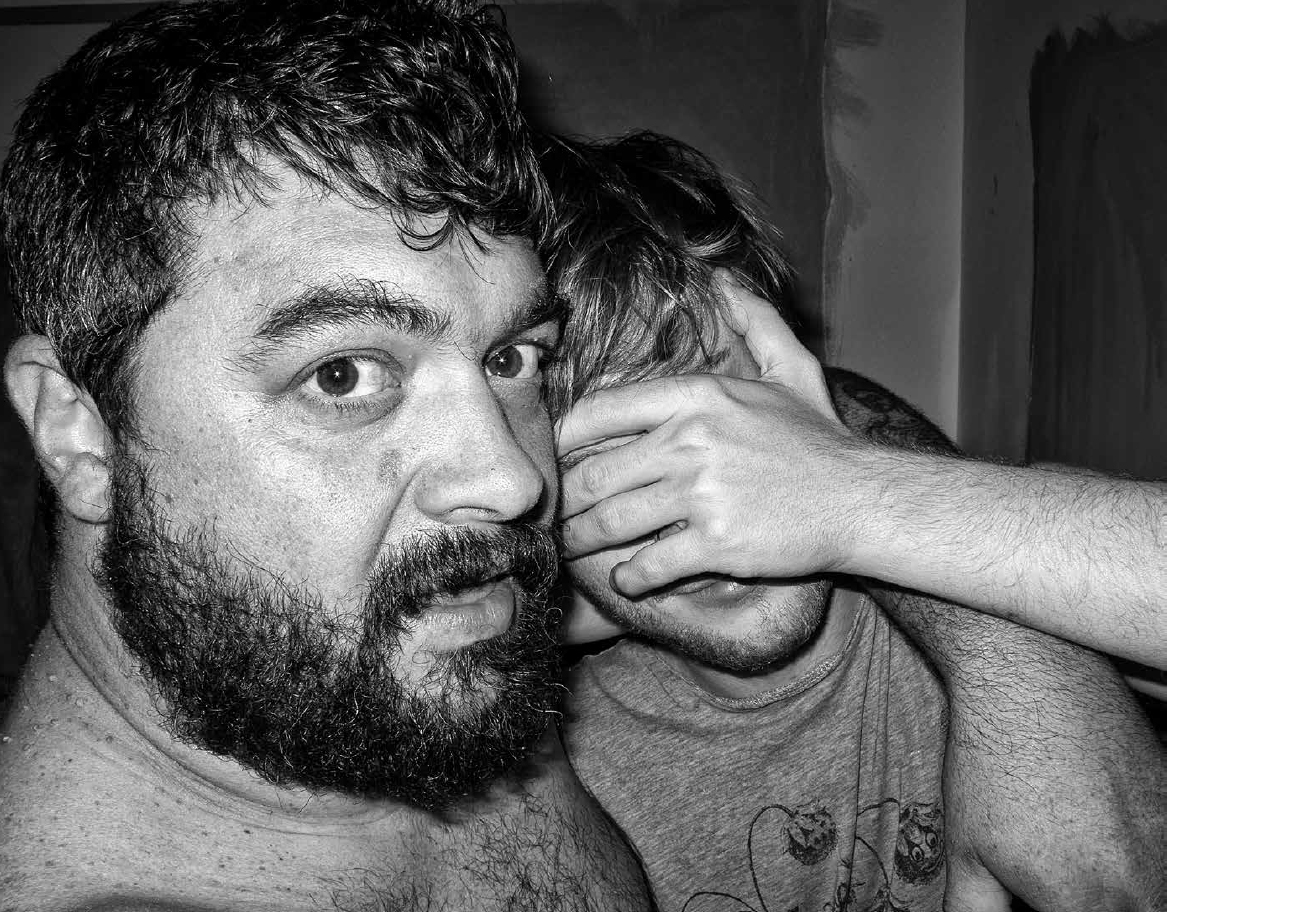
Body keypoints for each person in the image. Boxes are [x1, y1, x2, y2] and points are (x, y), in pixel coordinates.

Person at [0, 1, 650, 908]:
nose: (511, 481)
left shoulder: (388, 679)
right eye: (342, 375)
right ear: (76, 429)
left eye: (510, 359)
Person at [540, 132, 1166, 912]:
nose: (689, 505)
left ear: (787, 371)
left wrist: (854, 489)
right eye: (595, 459)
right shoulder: (547, 777)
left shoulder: (1048, 566)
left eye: (708, 416)